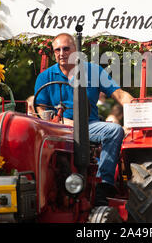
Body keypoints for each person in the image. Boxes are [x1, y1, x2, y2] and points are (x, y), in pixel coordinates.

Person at [34, 33, 134, 206]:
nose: (62, 53)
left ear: (76, 50)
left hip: (90, 125)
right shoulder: (45, 77)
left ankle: (104, 183)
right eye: (57, 50)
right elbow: (41, 108)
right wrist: (61, 122)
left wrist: (139, 108)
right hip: (57, 127)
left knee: (114, 130)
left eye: (66, 48)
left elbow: (119, 94)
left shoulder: (93, 71)